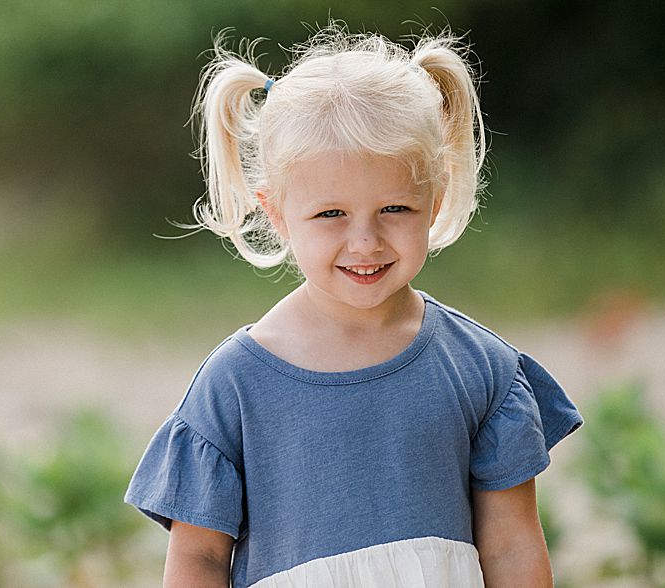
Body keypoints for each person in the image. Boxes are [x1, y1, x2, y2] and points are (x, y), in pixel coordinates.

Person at [125, 24, 583, 588]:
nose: (365, 242)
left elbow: (512, 545)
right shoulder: (235, 384)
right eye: (331, 214)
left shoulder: (480, 368)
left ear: (434, 201)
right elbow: (199, 559)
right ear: (277, 213)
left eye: (394, 208)